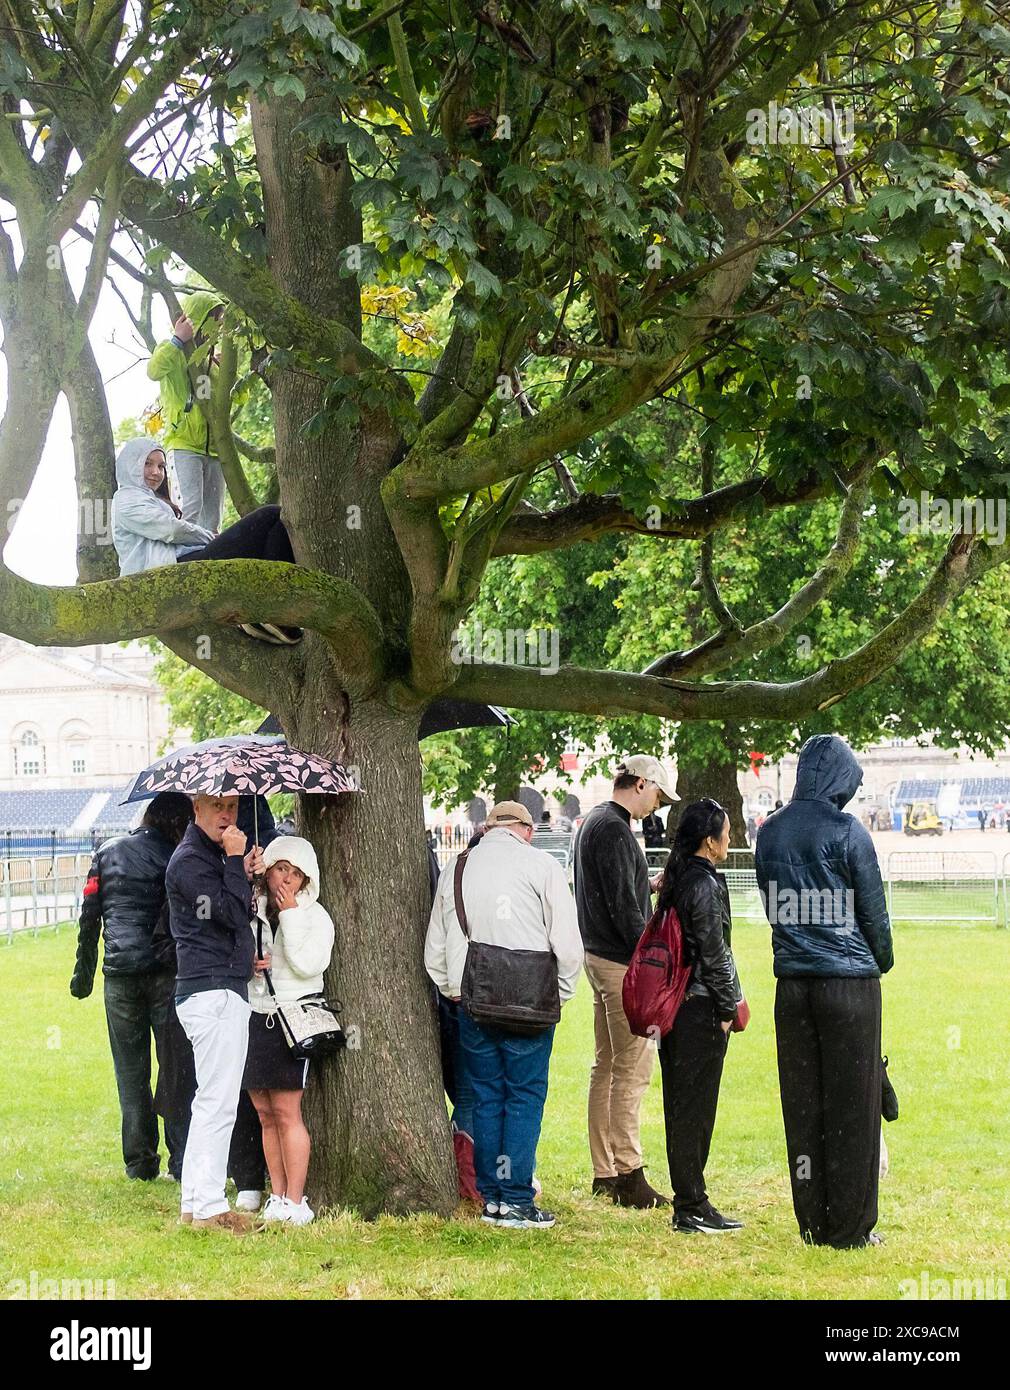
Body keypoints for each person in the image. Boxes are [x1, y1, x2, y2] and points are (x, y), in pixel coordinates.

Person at [755, 734, 894, 1249]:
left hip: (792, 986)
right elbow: (874, 916)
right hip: (848, 984)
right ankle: (851, 1228)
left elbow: (776, 908)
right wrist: (878, 962)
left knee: (803, 1104)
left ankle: (812, 1220)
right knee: (853, 1106)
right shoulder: (849, 832)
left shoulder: (768, 833)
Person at [425, 801, 584, 1229]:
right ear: (527, 830)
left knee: (486, 1097)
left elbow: (435, 946)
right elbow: (568, 945)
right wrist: (561, 994)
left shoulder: (458, 868)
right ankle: (515, 1196)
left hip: (472, 1001)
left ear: (486, 828)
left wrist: (453, 991)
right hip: (529, 1002)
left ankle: (494, 1195)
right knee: (524, 1097)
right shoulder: (542, 866)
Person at [69, 792, 194, 1181]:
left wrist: (83, 975)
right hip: (164, 973)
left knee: (130, 1071)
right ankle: (181, 1159)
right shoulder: (177, 856)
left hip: (119, 974)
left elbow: (89, 918)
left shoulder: (106, 853)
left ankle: (140, 1162)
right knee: (173, 1069)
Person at [573, 755, 678, 1208]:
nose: (658, 805)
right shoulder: (615, 829)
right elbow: (624, 910)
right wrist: (654, 961)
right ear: (641, 784)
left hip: (597, 958)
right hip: (621, 965)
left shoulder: (595, 821)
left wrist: (648, 885)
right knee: (632, 1072)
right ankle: (629, 1174)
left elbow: (615, 892)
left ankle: (605, 1172)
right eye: (658, 795)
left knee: (606, 1068)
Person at [166, 793, 263, 1232]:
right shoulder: (189, 860)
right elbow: (228, 911)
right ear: (195, 810)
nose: (227, 814)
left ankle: (194, 1202)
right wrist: (235, 860)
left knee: (211, 1099)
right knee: (218, 1103)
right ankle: (208, 1207)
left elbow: (229, 902)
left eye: (233, 806)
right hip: (212, 991)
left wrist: (239, 868)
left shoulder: (207, 855)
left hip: (217, 987)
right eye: (217, 806)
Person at [656, 799, 746, 1235]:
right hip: (699, 1007)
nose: (730, 839)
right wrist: (728, 1008)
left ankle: (689, 1200)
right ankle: (691, 1203)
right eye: (726, 833)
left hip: (676, 1007)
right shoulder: (704, 884)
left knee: (681, 1105)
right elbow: (714, 952)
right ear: (710, 842)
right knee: (695, 1109)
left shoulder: (678, 879)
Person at [110, 438, 299, 644]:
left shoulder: (150, 499)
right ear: (130, 464)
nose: (156, 472)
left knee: (275, 527)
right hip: (169, 576)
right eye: (147, 464)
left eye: (161, 466)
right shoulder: (126, 499)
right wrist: (209, 537)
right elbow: (171, 530)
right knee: (269, 515)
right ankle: (275, 611)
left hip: (179, 567)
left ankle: (270, 612)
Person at [244, 836, 334, 1226]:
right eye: (281, 869)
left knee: (286, 1110)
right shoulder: (254, 910)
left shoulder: (316, 917)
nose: (287, 880)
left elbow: (307, 965)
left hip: (289, 1020)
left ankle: (296, 1200)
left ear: (305, 881)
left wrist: (293, 914)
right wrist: (249, 962)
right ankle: (277, 1195)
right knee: (263, 1111)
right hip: (255, 1013)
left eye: (296, 875)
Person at [147, 291, 225, 531]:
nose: (217, 329)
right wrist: (178, 339)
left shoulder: (212, 363)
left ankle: (211, 562)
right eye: (213, 321)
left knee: (213, 519)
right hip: (184, 444)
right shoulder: (172, 350)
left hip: (215, 449)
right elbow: (154, 370)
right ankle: (185, 562)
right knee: (190, 508)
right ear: (198, 321)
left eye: (219, 323)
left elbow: (237, 400)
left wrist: (227, 372)